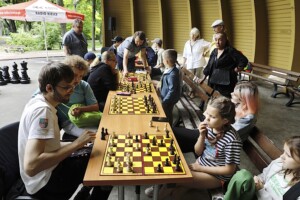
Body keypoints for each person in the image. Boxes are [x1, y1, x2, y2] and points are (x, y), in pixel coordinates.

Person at [18, 62, 109, 200]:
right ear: (49, 88)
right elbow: (31, 166)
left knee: (95, 151)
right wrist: (76, 144)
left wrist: (82, 144)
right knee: (105, 165)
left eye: (73, 85)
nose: (72, 90)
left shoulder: (38, 102)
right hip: (45, 182)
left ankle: (83, 192)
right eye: (66, 87)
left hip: (46, 173)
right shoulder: (43, 112)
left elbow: (49, 147)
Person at [157, 96, 242, 199]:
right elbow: (198, 151)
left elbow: (229, 170)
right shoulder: (211, 127)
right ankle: (159, 192)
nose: (207, 119)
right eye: (207, 114)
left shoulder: (232, 140)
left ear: (225, 121)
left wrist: (200, 168)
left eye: (212, 117)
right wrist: (201, 136)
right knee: (176, 187)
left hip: (217, 177)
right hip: (202, 165)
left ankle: (158, 193)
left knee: (175, 179)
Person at [173, 81, 259, 154]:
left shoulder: (248, 118)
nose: (231, 94)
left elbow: (227, 131)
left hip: (218, 142)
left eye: (235, 94)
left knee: (175, 135)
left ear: (243, 99)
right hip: (211, 132)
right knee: (174, 134)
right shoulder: (237, 105)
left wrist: (208, 125)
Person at [224, 136, 300, 200]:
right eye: (284, 152)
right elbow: (263, 176)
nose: (281, 157)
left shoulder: (297, 191)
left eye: (288, 156)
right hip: (254, 195)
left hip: (261, 194)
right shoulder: (279, 163)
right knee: (243, 175)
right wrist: (257, 181)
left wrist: (261, 189)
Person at [57, 55, 100, 138]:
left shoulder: (84, 85)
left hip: (86, 118)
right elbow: (40, 95)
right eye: (74, 75)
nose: (77, 80)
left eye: (80, 76)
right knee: (97, 136)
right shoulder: (58, 85)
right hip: (69, 122)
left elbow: (95, 107)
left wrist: (81, 109)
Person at [200, 32, 248, 98]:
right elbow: (209, 65)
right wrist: (204, 77)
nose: (217, 42)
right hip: (213, 81)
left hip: (226, 83)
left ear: (225, 40)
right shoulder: (214, 51)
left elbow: (244, 60)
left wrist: (236, 69)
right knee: (212, 99)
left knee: (224, 101)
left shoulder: (230, 51)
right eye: (216, 39)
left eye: (220, 40)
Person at [181, 27, 210, 98]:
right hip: (190, 64)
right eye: (192, 34)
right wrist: (183, 63)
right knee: (189, 79)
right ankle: (191, 91)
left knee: (197, 80)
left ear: (197, 35)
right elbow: (185, 54)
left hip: (199, 64)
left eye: (195, 35)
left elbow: (211, 44)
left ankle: (194, 92)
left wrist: (206, 51)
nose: (193, 36)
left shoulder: (201, 42)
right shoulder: (187, 43)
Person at [160, 49, 181, 126]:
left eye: (163, 59)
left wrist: (165, 101)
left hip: (169, 99)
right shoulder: (170, 69)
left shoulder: (172, 74)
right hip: (167, 97)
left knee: (167, 114)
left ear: (167, 61)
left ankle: (169, 128)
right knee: (167, 112)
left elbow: (172, 90)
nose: (163, 61)